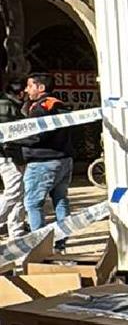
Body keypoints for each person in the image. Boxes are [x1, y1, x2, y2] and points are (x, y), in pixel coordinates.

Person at [20, 73, 72, 232]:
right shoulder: (58, 104)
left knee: (33, 203)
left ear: (41, 88)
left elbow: (37, 136)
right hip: (64, 160)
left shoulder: (40, 108)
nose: (26, 90)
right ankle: (61, 243)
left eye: (29, 86)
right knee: (60, 200)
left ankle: (38, 243)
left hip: (43, 162)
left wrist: (13, 140)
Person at [0, 81, 24, 238]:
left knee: (19, 194)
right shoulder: (6, 106)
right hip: (8, 156)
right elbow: (12, 134)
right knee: (14, 192)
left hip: (9, 155)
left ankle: (17, 234)